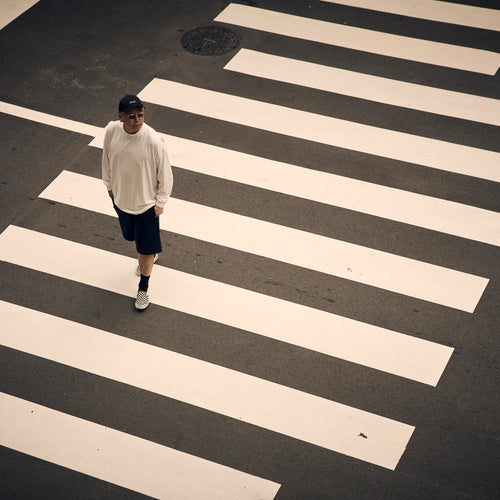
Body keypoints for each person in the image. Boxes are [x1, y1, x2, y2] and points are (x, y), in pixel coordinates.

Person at [102, 94, 173, 310]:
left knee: (143, 249)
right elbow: (106, 157)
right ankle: (151, 252)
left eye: (140, 115)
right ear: (121, 117)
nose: (137, 120)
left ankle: (143, 288)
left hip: (146, 206)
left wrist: (160, 202)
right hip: (122, 201)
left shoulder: (152, 140)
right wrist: (109, 186)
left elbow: (166, 174)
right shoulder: (112, 131)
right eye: (132, 116)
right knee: (131, 238)